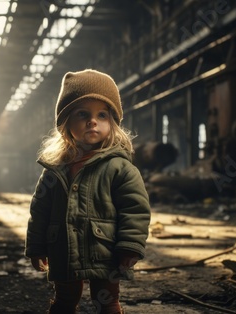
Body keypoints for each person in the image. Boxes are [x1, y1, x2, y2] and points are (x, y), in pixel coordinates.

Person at [25, 69, 151, 314]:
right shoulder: (55, 170)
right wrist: (36, 247)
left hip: (106, 251)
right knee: (64, 301)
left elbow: (135, 209)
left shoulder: (120, 167)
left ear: (112, 123)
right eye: (83, 114)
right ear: (65, 123)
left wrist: (130, 246)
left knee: (107, 302)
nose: (92, 121)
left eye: (102, 114)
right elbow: (39, 211)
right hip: (64, 249)